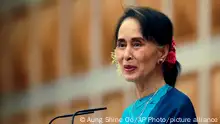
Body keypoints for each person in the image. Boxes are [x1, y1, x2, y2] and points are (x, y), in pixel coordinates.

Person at [112, 6, 197, 124]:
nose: (126, 55)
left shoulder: (177, 106)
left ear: (162, 52)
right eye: (122, 45)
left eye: (137, 44)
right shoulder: (127, 115)